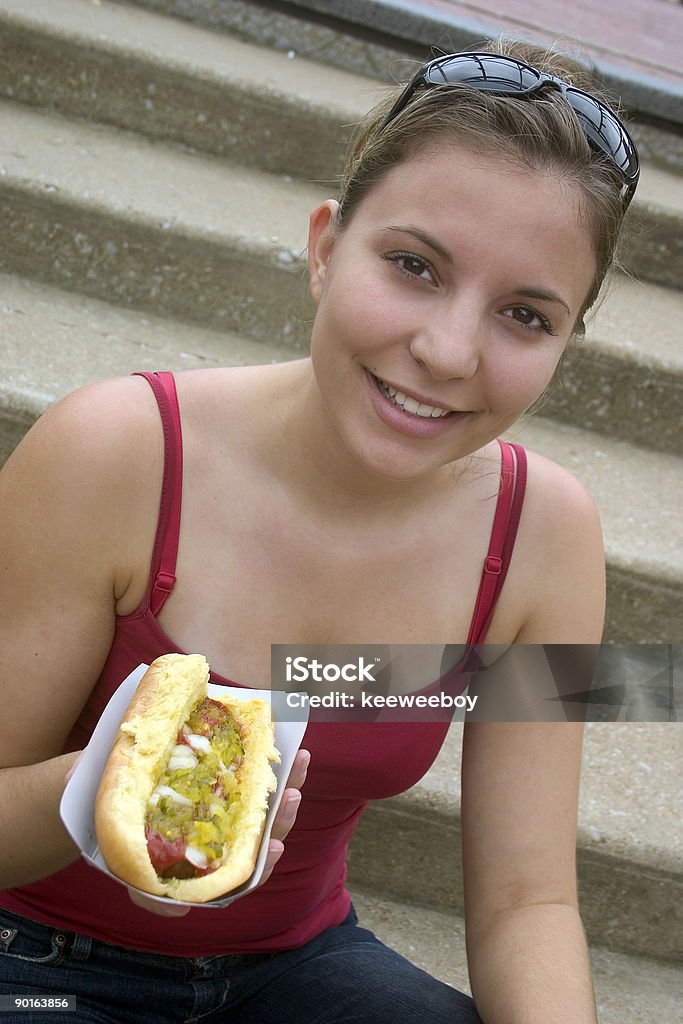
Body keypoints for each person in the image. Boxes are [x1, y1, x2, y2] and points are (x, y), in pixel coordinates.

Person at [0, 38, 639, 1024]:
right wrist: (105, 788)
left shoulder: (545, 538)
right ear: (324, 247)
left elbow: (528, 899)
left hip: (293, 967)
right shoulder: (113, 451)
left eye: (523, 314)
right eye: (413, 265)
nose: (444, 349)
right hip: (39, 954)